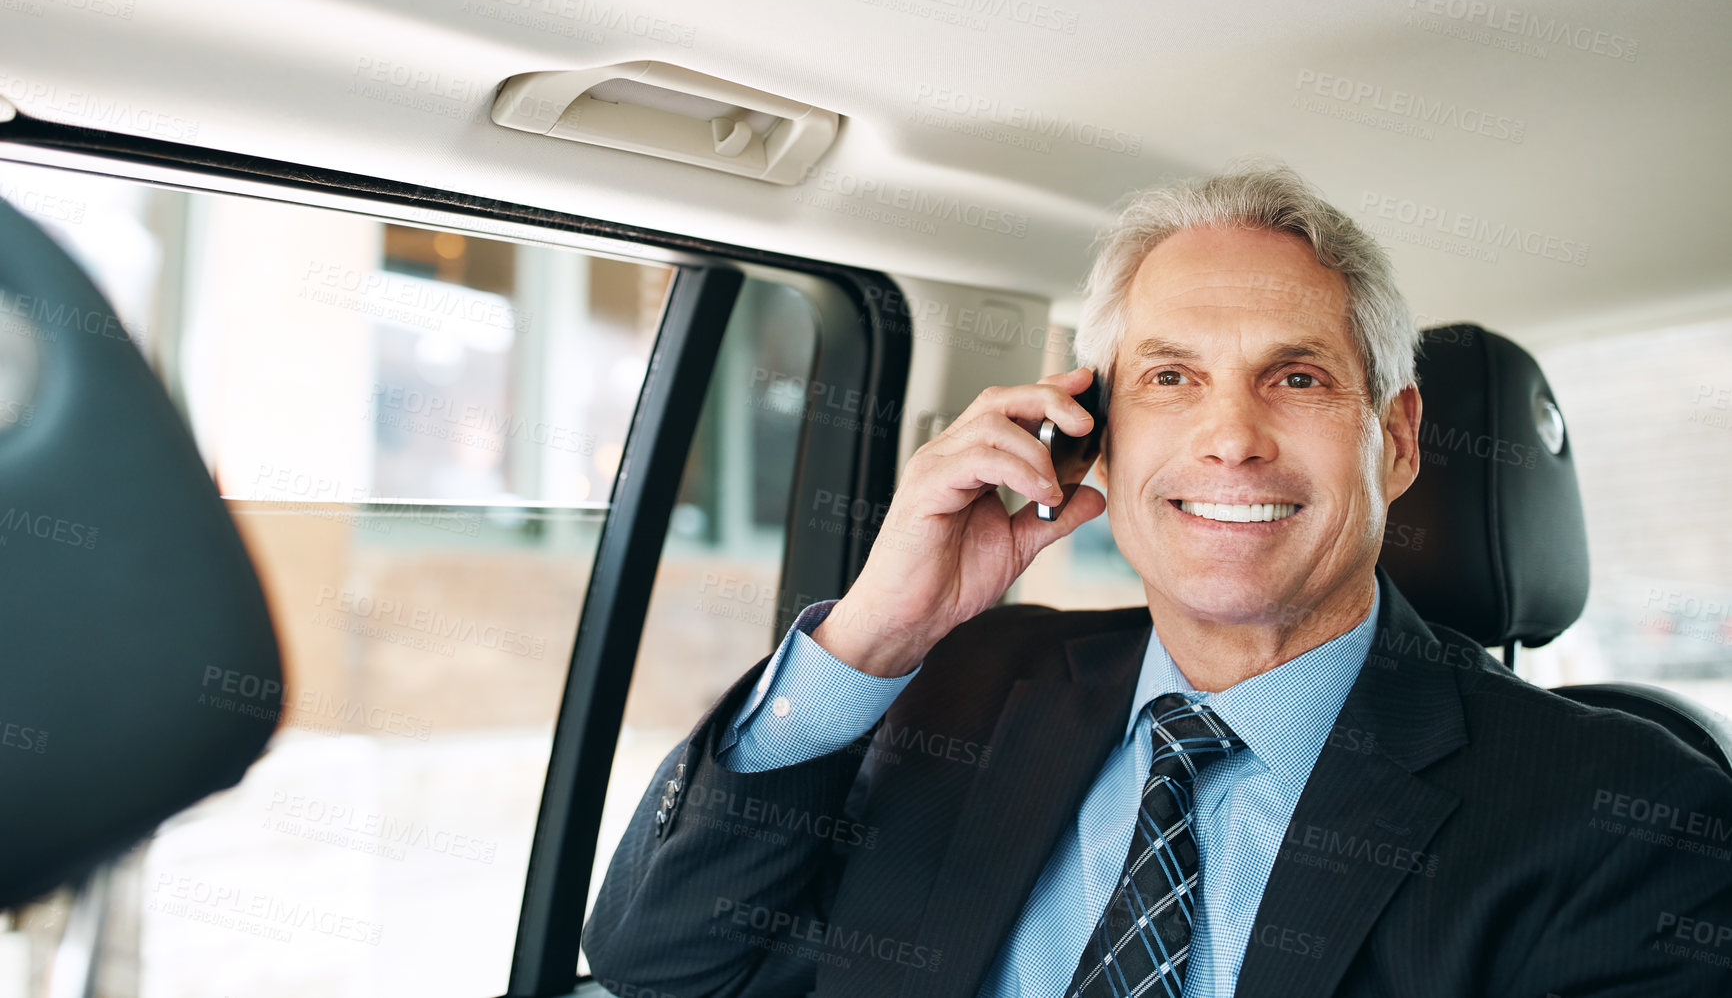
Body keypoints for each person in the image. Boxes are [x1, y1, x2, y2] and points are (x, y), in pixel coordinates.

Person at [584, 163, 1732, 997]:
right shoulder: (954, 689)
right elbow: (668, 961)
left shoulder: (1624, 815)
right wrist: (874, 636)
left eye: (1293, 377)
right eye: (1171, 376)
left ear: (1395, 439)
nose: (1229, 439)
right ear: (1092, 430)